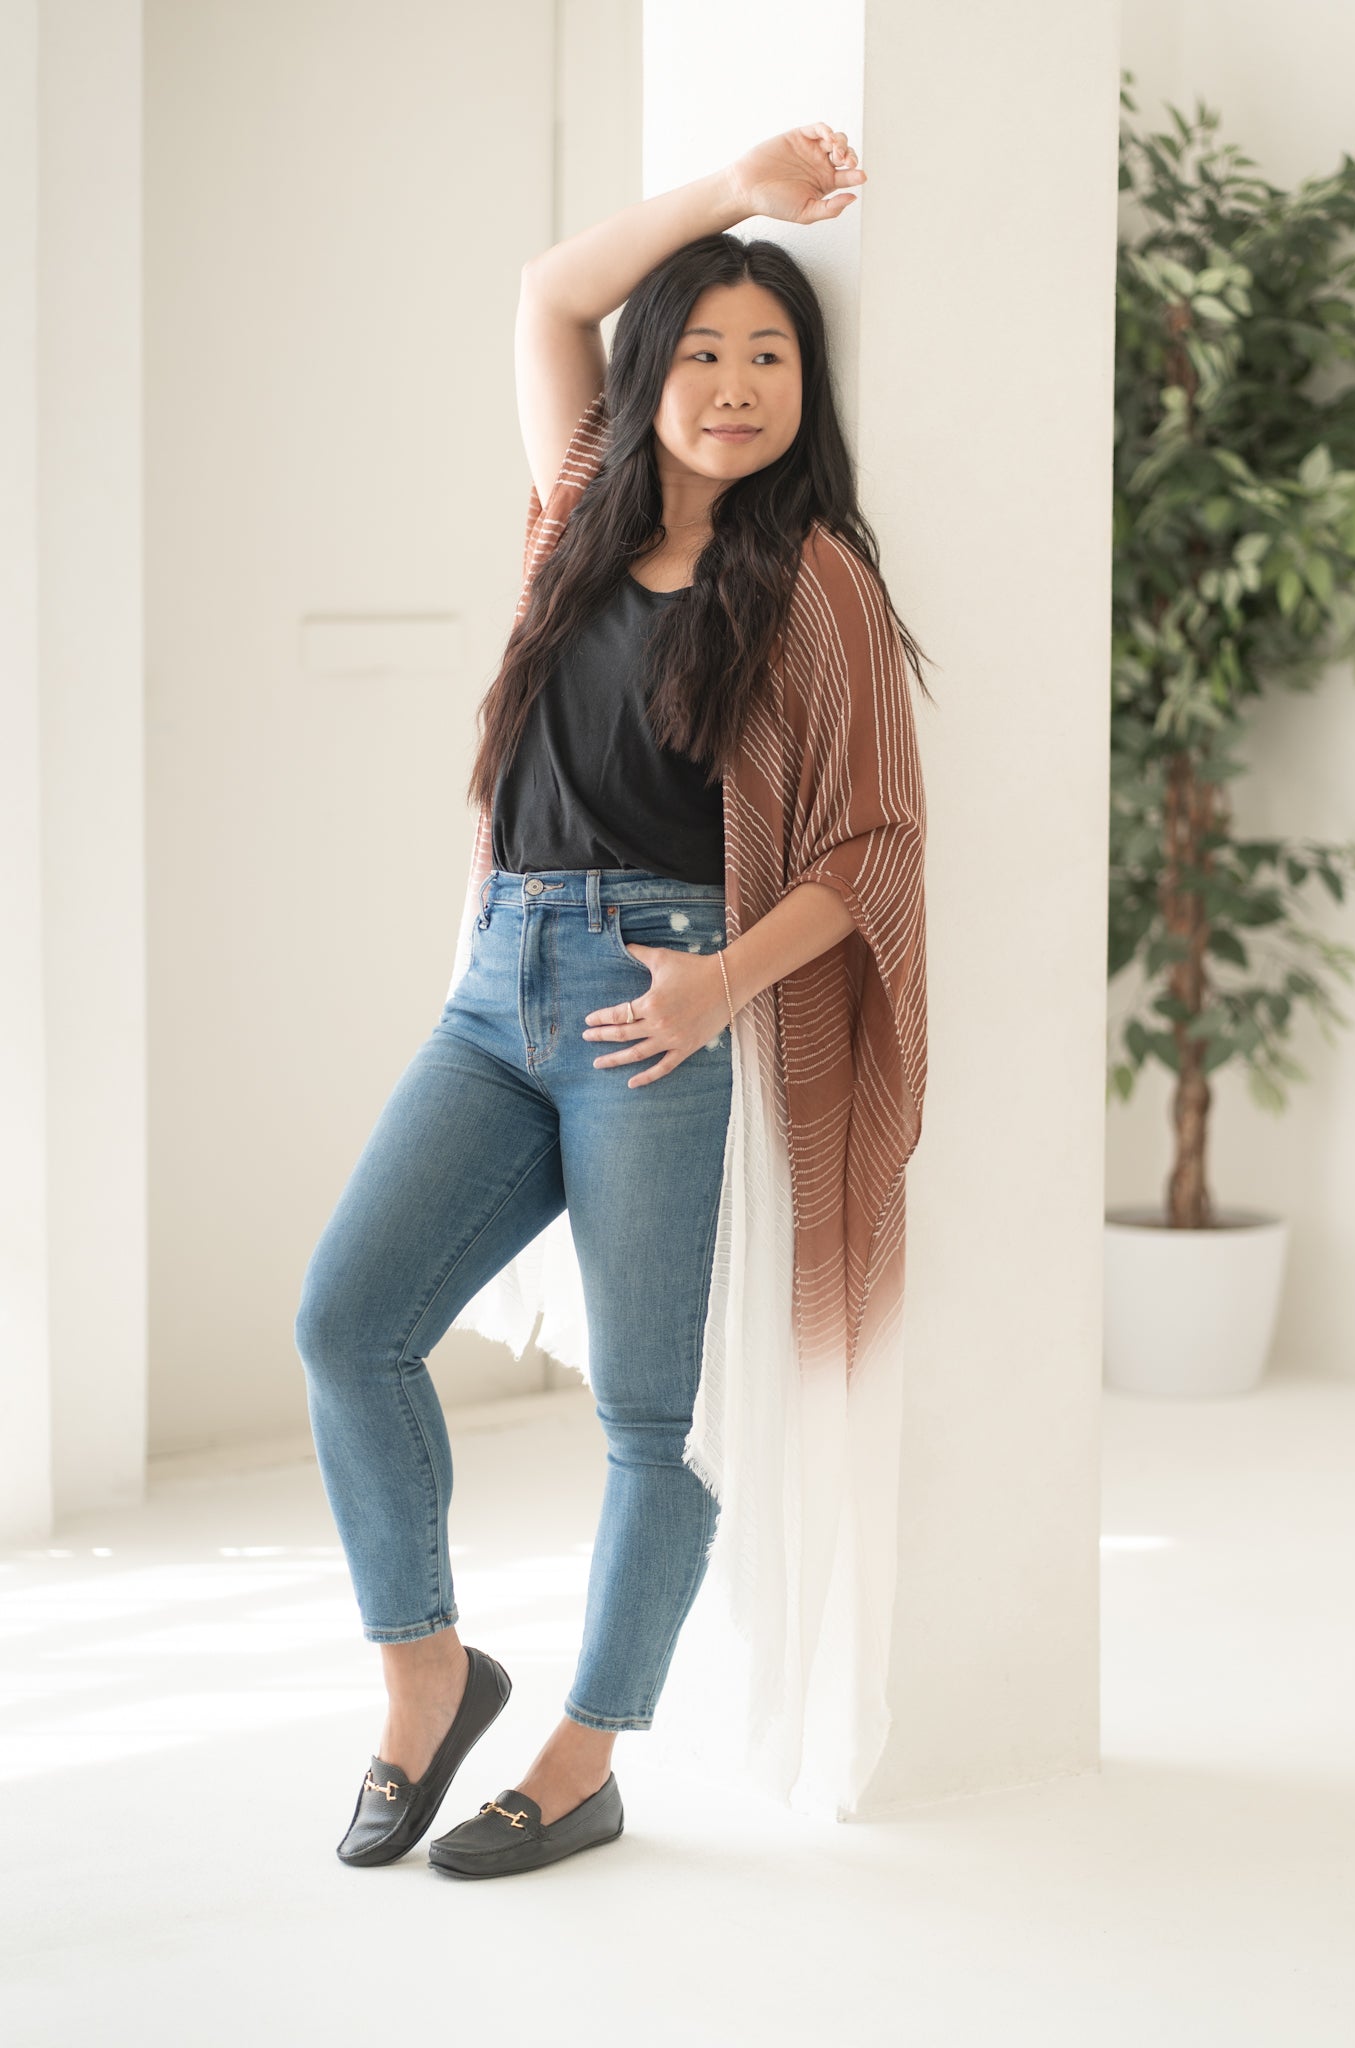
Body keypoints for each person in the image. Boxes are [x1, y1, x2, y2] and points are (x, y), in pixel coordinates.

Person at [294, 119, 930, 1880]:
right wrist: (739, 194)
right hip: (498, 981)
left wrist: (720, 980)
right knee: (347, 1323)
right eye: (705, 350)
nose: (734, 384)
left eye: (772, 355)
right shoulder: (574, 504)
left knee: (654, 1417)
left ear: (810, 388)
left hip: (662, 1003)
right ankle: (427, 1677)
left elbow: (873, 844)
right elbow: (550, 288)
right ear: (650, 376)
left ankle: (585, 1753)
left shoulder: (813, 586)